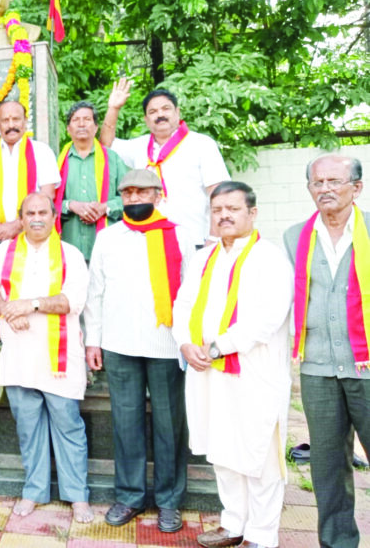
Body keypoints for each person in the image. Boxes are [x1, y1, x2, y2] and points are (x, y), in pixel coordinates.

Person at [173, 182, 293, 548]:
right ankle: (233, 524)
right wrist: (186, 343)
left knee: (258, 453)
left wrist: (218, 346)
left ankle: (261, 535)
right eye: (217, 209)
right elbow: (182, 304)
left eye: (232, 208)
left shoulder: (269, 257)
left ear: (251, 213)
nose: (224, 215)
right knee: (223, 449)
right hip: (207, 370)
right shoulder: (203, 257)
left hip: (253, 371)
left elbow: (268, 317)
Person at [84, 169, 195, 532]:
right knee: (125, 424)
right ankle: (129, 496)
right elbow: (95, 292)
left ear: (158, 195)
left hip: (166, 345)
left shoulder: (178, 234)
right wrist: (93, 340)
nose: (134, 199)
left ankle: (169, 501)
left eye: (141, 192)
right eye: (127, 193)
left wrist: (188, 340)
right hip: (118, 345)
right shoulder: (108, 237)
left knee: (169, 425)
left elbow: (192, 295)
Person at [0, 192, 92, 523]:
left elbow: (72, 301)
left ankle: (78, 497)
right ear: (22, 217)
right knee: (28, 428)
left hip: (58, 359)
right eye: (29, 213)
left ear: (53, 215)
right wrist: (7, 311)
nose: (36, 218)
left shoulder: (70, 254)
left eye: (42, 211)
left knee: (68, 426)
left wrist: (29, 304)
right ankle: (34, 490)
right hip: (17, 356)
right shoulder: (4, 251)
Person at [283, 154, 368, 548]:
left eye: (335, 181)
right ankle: (337, 543)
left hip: (366, 366)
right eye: (318, 182)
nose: (326, 189)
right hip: (317, 368)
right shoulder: (295, 236)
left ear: (357, 188)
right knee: (328, 468)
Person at [99, 88, 230, 247]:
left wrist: (214, 238)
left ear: (177, 112)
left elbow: (219, 194)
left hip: (195, 240)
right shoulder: (139, 146)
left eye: (166, 109)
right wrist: (113, 108)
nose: (160, 115)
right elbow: (107, 144)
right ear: (146, 120)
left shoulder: (201, 144)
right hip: (150, 241)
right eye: (153, 111)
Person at [0, 101, 60, 263]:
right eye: (5, 120)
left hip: (35, 238)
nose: (11, 125)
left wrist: (17, 225)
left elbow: (48, 195)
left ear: (25, 121)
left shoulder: (43, 152)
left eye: (16, 119)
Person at [55, 90, 129, 262]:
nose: (81, 124)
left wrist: (105, 207)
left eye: (87, 119)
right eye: (76, 120)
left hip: (107, 246)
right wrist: (71, 205)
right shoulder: (57, 162)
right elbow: (48, 201)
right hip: (68, 246)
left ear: (96, 127)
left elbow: (129, 198)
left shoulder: (113, 159)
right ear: (68, 129)